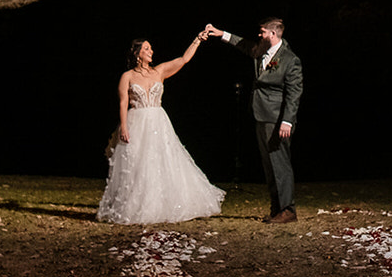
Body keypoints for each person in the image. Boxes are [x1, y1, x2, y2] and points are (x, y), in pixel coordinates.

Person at [96, 31, 225, 224]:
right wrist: (123, 127)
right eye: (146, 48)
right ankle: (137, 204)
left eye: (150, 48)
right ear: (137, 53)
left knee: (163, 159)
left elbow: (183, 59)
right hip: (137, 122)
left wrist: (197, 40)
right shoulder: (127, 76)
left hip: (158, 120)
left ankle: (165, 202)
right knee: (140, 163)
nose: (151, 51)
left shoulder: (159, 71)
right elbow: (123, 103)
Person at [204, 18, 302, 223]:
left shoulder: (290, 59)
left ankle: (288, 209)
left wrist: (287, 121)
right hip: (261, 114)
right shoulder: (261, 51)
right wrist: (221, 33)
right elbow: (243, 45)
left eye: (263, 32)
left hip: (277, 119)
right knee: (269, 165)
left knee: (280, 164)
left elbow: (294, 93)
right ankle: (276, 208)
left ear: (273, 34)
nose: (259, 35)